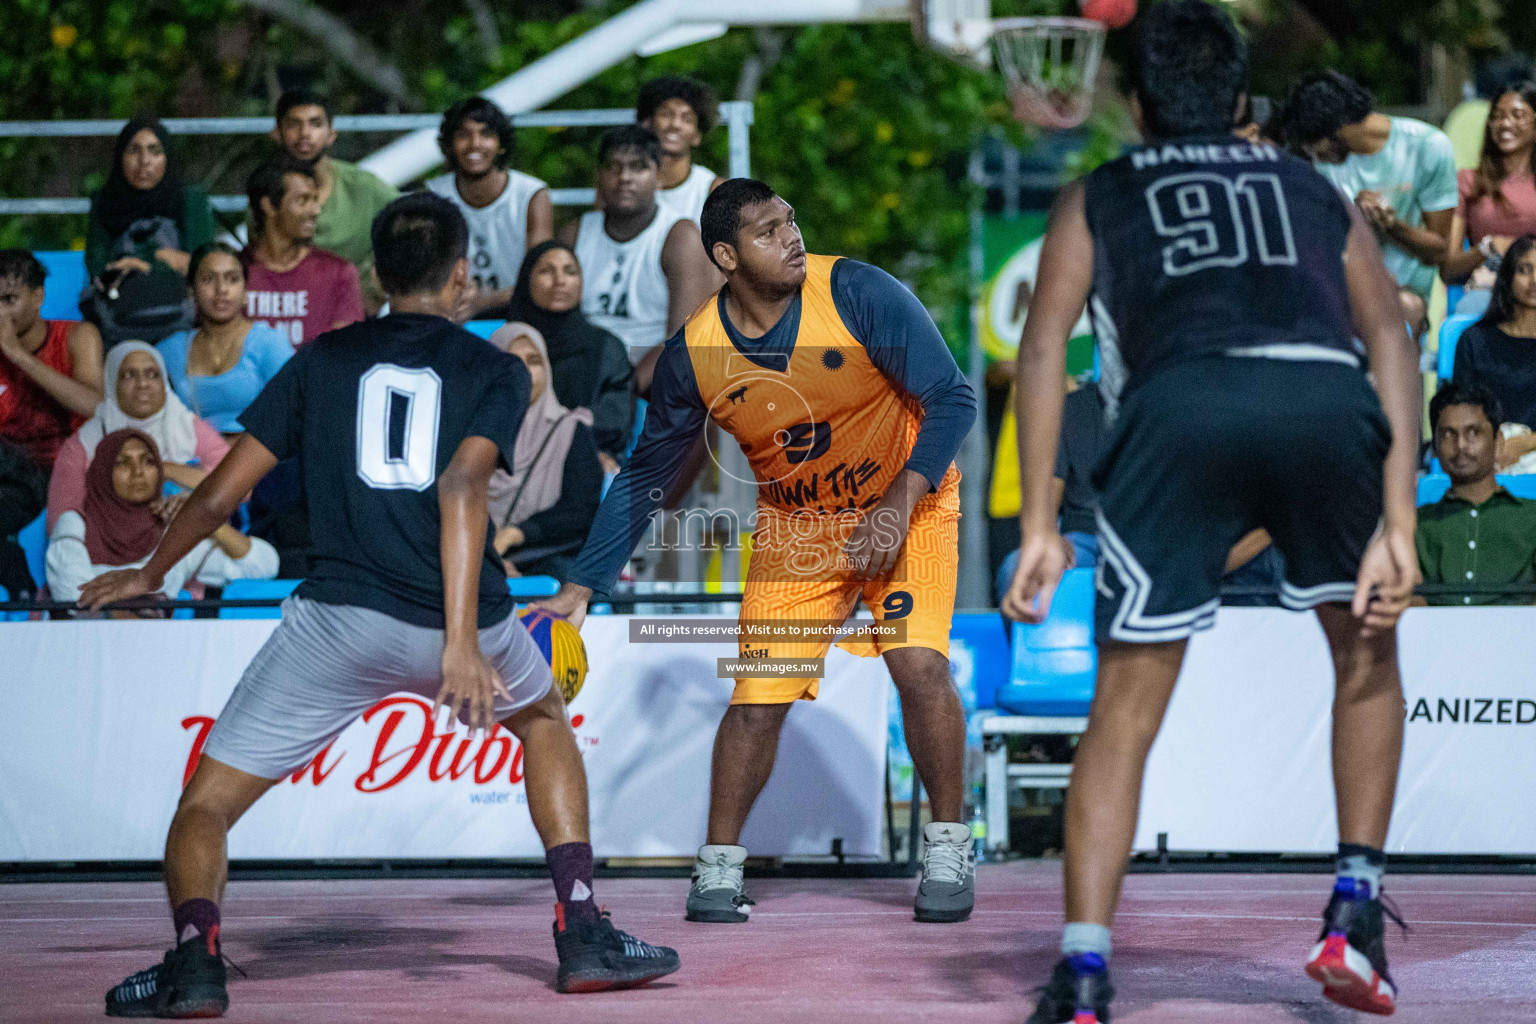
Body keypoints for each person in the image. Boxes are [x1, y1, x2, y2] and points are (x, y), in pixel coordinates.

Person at [83, 192, 678, 1018]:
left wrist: (152, 570)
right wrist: (462, 641)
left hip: (338, 620)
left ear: (374, 276)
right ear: (464, 276)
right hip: (456, 617)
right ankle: (583, 931)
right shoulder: (495, 367)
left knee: (206, 806)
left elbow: (221, 492)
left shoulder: (322, 359)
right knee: (542, 720)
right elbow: (464, 486)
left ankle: (195, 961)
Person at [1001, 5, 1422, 1022]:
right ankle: (1354, 910)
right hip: (1323, 402)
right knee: (1364, 656)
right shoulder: (1311, 187)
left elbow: (1044, 348)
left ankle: (1087, 970)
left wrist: (1040, 524)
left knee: (1126, 705)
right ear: (1240, 102)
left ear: (1138, 105)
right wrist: (1400, 518)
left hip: (1177, 410)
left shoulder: (1096, 193)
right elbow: (1392, 338)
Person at [534, 178, 979, 925]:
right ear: (725, 256)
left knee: (919, 662)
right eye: (769, 232)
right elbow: (647, 473)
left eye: (791, 221)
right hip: (798, 530)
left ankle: (947, 843)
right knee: (754, 702)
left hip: (912, 501)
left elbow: (953, 398)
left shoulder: (860, 292)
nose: (792, 236)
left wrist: (898, 506)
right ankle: (717, 869)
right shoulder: (697, 355)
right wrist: (582, 585)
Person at [1281, 69, 1458, 319]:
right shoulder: (1323, 161)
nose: (1311, 153)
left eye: (1310, 145)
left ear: (1333, 130)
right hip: (1343, 290)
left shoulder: (1427, 146)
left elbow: (1439, 250)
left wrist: (1392, 226)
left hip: (1407, 296)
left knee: (1405, 308)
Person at [561, 126, 721, 393]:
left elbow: (682, 339)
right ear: (599, 177)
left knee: (690, 376)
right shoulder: (575, 234)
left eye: (638, 167)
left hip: (653, 366)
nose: (624, 177)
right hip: (587, 363)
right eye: (613, 167)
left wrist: (622, 389)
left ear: (659, 177)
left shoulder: (680, 236)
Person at [46, 428, 277, 607]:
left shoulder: (169, 530)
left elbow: (262, 567)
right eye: (122, 462)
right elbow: (73, 597)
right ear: (102, 473)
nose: (138, 471)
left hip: (156, 647)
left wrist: (200, 520)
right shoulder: (75, 524)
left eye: (148, 461)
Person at [46, 342, 228, 534]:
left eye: (152, 374)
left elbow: (238, 489)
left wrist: (169, 470)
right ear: (112, 383)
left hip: (185, 540)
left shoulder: (188, 427)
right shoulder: (85, 442)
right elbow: (60, 519)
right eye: (129, 375)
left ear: (164, 383)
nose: (142, 384)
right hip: (111, 547)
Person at [487, 323, 603, 579]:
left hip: (543, 558)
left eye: (534, 361)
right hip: (472, 555)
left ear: (547, 369)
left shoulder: (570, 430)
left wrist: (516, 534)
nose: (525, 372)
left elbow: (580, 510)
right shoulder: (471, 431)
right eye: (512, 361)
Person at [271, 89, 399, 314]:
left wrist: (380, 285)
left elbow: (416, 222)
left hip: (359, 314)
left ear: (332, 134)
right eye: (294, 124)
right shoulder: (266, 193)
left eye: (315, 124)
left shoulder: (363, 186)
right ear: (277, 134)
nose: (304, 133)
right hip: (290, 311)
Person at [510, 241, 633, 472]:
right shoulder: (509, 344)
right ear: (526, 281)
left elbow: (614, 420)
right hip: (518, 460)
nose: (560, 281)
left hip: (588, 455)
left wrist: (570, 445)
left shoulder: (606, 347)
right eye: (546, 271)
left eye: (570, 271)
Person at [426, 97, 552, 322]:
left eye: (486, 134)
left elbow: (541, 279)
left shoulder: (531, 195)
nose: (475, 143)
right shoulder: (433, 194)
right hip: (455, 312)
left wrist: (484, 300)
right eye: (463, 134)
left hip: (519, 311)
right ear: (449, 146)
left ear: (501, 144)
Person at [1417, 382, 1536, 606]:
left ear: (1498, 442)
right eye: (1448, 434)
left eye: (1473, 432)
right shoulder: (1417, 525)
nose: (1461, 445)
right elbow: (1409, 604)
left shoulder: (1532, 518)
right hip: (1435, 637)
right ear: (1435, 446)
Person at [158, 243, 292, 438]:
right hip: (191, 461)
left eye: (232, 279)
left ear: (245, 291)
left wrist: (226, 450)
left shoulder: (269, 344)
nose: (221, 289)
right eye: (208, 279)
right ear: (191, 290)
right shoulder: (171, 350)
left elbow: (289, 419)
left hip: (260, 460)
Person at [243, 155, 364, 349]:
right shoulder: (234, 273)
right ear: (269, 206)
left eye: (315, 199)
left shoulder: (338, 273)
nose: (316, 210)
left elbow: (345, 353)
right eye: (303, 200)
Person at [0, 250, 104, 470]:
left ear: (38, 297)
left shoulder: (76, 336)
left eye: (9, 299)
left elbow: (96, 406)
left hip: (66, 467)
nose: (0, 312)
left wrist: (18, 355)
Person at [85, 117, 217, 286]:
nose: (144, 161)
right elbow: (97, 268)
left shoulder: (190, 200)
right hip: (119, 302)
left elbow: (202, 267)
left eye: (154, 151)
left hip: (180, 303)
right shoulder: (106, 201)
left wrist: (142, 263)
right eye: (133, 150)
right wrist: (165, 257)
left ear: (167, 157)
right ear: (120, 157)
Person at [1441, 83, 1536, 316]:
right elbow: (1448, 268)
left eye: (1518, 115)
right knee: (1475, 307)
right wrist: (1487, 248)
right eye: (1498, 117)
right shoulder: (1467, 181)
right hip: (1488, 289)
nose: (1505, 123)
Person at [1454, 234, 1536, 472]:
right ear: (1508, 277)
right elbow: (1461, 410)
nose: (1534, 280)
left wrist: (1525, 444)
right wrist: (1493, 444)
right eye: (1524, 269)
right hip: (1487, 453)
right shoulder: (1475, 340)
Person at [637, 75, 726, 222]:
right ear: (647, 122)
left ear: (697, 135)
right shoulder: (624, 181)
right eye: (666, 114)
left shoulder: (713, 190)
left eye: (687, 119)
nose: (675, 125)